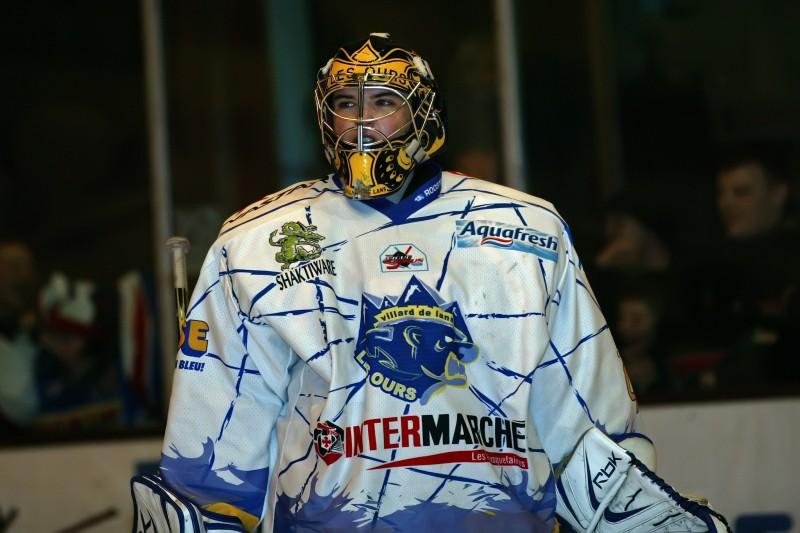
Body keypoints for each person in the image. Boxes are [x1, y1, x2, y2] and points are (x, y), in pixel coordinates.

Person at [132, 34, 729, 532]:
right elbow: (214, 450)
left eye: (383, 101)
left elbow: (587, 417)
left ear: (424, 112)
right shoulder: (254, 241)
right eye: (345, 103)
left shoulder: (528, 228)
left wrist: (632, 512)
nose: (362, 122)